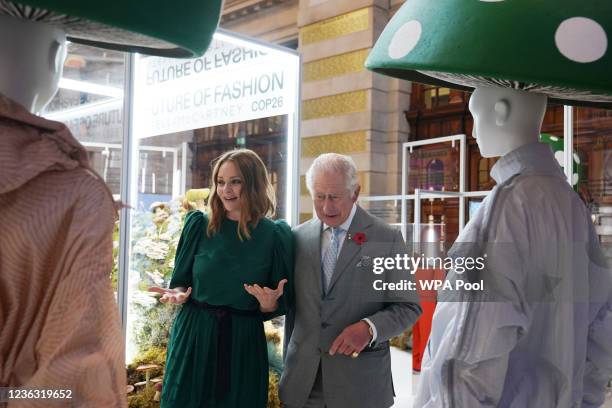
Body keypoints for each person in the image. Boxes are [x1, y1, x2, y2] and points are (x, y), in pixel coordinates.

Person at [415, 86, 612, 407]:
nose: (474, 130)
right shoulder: (570, 203)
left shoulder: (506, 205)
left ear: (501, 110)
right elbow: (602, 326)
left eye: (475, 114)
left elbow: (471, 358)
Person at [149, 149, 293, 408]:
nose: (226, 189)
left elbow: (277, 304)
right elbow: (181, 280)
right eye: (220, 181)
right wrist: (180, 293)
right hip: (193, 335)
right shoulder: (199, 226)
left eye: (235, 181)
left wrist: (269, 304)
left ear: (254, 183)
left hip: (243, 342)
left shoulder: (274, 236)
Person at [279, 153, 422, 408]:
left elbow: (409, 306)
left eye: (334, 197)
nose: (326, 206)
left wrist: (369, 329)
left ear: (355, 192)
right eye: (319, 197)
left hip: (361, 388)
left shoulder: (386, 237)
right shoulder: (296, 238)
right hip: (302, 386)